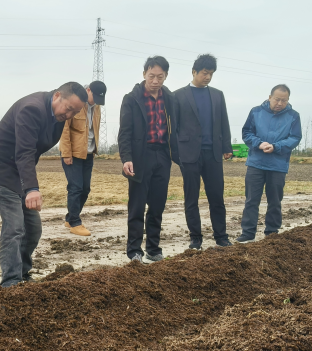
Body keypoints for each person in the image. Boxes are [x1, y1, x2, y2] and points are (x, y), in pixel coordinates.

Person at [0, 82, 87, 287]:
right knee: (15, 226)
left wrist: (27, 184)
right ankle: (11, 282)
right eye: (69, 108)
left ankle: (22, 274)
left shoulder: (58, 116)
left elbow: (33, 151)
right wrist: (31, 189)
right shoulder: (31, 109)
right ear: (57, 96)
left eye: (75, 112)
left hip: (18, 171)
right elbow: (25, 152)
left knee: (33, 228)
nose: (69, 115)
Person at [118, 56, 179, 264]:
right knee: (136, 206)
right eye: (151, 76)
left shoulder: (169, 98)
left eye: (160, 77)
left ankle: (153, 249)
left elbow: (176, 128)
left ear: (166, 76)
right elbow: (125, 132)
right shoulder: (132, 99)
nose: (155, 81)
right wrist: (126, 158)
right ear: (144, 73)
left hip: (162, 154)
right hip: (140, 155)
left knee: (157, 205)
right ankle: (134, 251)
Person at [173, 53, 233, 250]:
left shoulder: (217, 95)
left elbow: (224, 121)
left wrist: (227, 147)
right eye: (205, 73)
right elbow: (174, 127)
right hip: (189, 154)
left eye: (211, 74)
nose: (208, 77)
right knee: (191, 198)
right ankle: (196, 238)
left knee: (217, 197)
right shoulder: (178, 95)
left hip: (213, 153)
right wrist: (177, 153)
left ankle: (221, 237)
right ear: (194, 72)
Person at [237, 84, 301, 243]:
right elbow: (247, 132)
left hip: (278, 165)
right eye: (277, 99)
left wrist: (276, 147)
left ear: (288, 100)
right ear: (270, 97)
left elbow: (295, 138)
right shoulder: (256, 112)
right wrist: (259, 144)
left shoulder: (293, 116)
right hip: (256, 163)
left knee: (275, 201)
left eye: (284, 100)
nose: (280, 103)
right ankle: (248, 233)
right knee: (251, 200)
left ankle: (272, 233)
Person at [59, 80, 107, 237]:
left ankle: (70, 218)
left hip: (88, 153)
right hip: (73, 153)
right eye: (95, 97)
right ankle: (75, 223)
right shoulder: (76, 104)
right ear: (88, 90)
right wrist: (66, 153)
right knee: (76, 187)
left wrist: (94, 149)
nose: (96, 102)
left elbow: (94, 129)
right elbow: (64, 129)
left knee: (85, 189)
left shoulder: (97, 107)